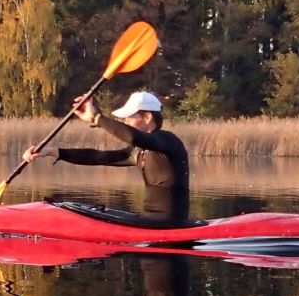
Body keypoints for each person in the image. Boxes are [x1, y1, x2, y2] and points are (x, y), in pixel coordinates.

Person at [23, 91, 190, 224]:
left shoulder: (169, 141)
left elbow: (134, 137)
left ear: (147, 117)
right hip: (147, 220)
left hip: (170, 224)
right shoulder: (138, 151)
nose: (124, 122)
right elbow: (98, 157)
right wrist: (54, 152)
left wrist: (97, 118)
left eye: (129, 117)